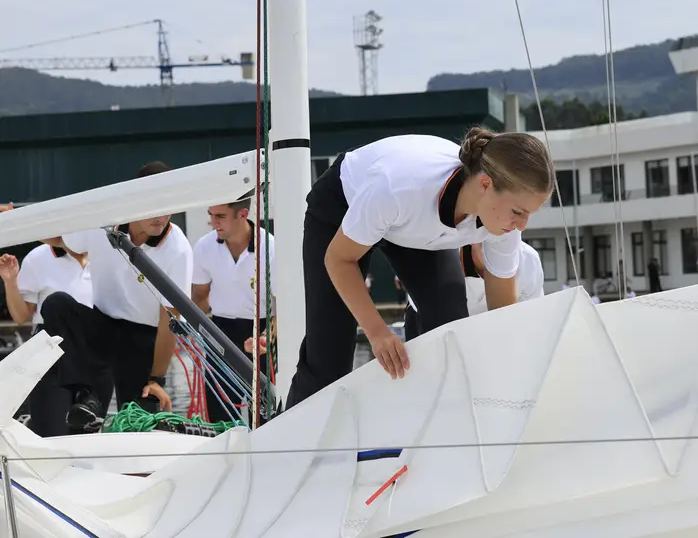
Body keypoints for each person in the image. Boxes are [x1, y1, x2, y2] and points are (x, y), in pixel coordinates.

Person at [285, 128, 553, 409]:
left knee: (450, 325)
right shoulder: (398, 188)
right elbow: (338, 260)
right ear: (485, 185)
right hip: (344, 203)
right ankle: (284, 445)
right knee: (330, 359)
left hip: (411, 225)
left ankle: (440, 425)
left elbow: (503, 317)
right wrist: (378, 333)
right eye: (518, 213)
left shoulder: (504, 224)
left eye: (529, 215)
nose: (522, 226)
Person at [41, 162, 192, 432]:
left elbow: (170, 321)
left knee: (137, 423)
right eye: (154, 208)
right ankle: (86, 395)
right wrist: (20, 222)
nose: (161, 217)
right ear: (135, 200)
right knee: (56, 304)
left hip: (142, 342)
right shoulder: (104, 221)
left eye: (168, 207)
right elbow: (62, 240)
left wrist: (157, 379)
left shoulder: (178, 249)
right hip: (103, 327)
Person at [0, 240, 99, 436]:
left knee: (88, 443)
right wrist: (10, 281)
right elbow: (21, 316)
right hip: (51, 356)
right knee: (51, 436)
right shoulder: (38, 258)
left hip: (93, 356)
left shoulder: (106, 254)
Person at [191, 199, 275, 424]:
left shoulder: (270, 247)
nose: (213, 222)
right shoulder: (204, 247)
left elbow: (280, 305)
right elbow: (199, 296)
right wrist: (196, 332)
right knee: (220, 411)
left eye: (220, 216)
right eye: (211, 215)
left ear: (242, 214)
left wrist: (266, 337)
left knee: (266, 413)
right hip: (220, 330)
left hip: (262, 331)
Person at [403, 239, 546, 339]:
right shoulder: (439, 261)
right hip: (428, 319)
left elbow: (531, 321)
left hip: (499, 329)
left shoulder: (528, 261)